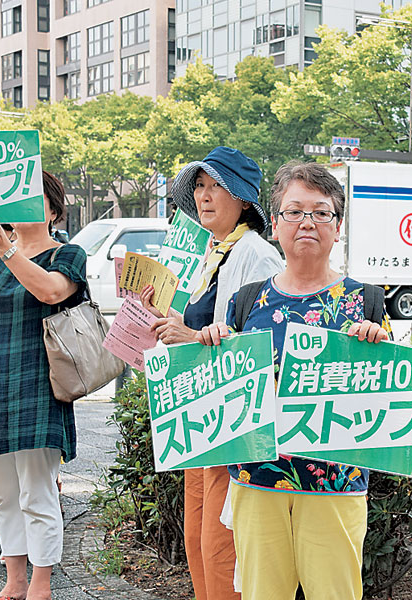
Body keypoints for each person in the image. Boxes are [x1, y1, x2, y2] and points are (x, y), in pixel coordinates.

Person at [196, 161, 389, 600]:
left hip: (335, 484)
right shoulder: (247, 302)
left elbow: (387, 401)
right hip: (256, 479)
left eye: (321, 213)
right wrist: (211, 344)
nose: (308, 222)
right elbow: (222, 393)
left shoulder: (367, 301)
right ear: (276, 225)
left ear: (337, 227)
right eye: (294, 211)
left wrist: (377, 348)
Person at [140, 146, 283, 600]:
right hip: (202, 415)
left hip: (230, 420)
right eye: (199, 186)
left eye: (215, 186)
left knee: (222, 544)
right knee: (197, 536)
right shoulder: (214, 251)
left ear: (243, 199)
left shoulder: (256, 255)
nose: (204, 196)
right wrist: (164, 319)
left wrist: (190, 335)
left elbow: (262, 346)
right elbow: (201, 325)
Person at [0, 172, 86, 600]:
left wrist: (5, 248)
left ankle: (41, 584)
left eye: (34, 199)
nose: (22, 207)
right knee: (3, 494)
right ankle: (15, 579)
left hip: (39, 386)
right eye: (17, 199)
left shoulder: (68, 254)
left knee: (37, 490)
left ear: (54, 210)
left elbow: (50, 292)